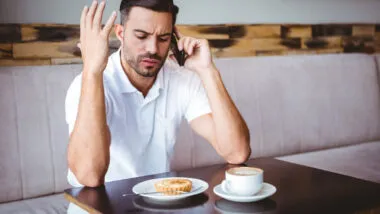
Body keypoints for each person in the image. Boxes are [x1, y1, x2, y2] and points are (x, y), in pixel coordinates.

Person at [65, 0, 250, 202]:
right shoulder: (89, 84)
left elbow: (237, 153)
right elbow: (89, 176)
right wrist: (92, 72)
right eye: (141, 36)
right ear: (121, 34)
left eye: (163, 38)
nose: (153, 49)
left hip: (157, 203)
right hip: (98, 207)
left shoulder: (181, 79)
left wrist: (208, 71)